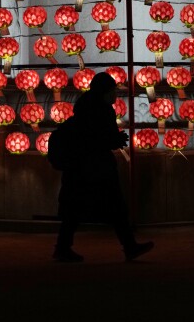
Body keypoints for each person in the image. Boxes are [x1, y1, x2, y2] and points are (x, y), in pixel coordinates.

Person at [53, 71, 154, 263]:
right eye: (113, 90)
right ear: (106, 92)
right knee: (116, 206)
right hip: (97, 168)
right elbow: (101, 139)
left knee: (74, 209)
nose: (115, 94)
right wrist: (117, 139)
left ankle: (62, 247)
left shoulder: (82, 107)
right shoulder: (103, 110)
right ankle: (129, 246)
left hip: (78, 167)